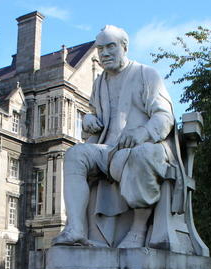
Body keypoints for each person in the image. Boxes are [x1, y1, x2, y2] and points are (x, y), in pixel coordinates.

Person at [52, 25, 184, 248]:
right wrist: (88, 121)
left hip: (144, 146)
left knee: (142, 155)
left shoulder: (146, 74)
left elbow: (164, 116)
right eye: (100, 49)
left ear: (124, 47)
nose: (104, 53)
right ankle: (75, 229)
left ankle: (138, 230)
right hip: (108, 149)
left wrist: (142, 133)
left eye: (110, 46)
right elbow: (95, 116)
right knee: (75, 154)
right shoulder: (99, 83)